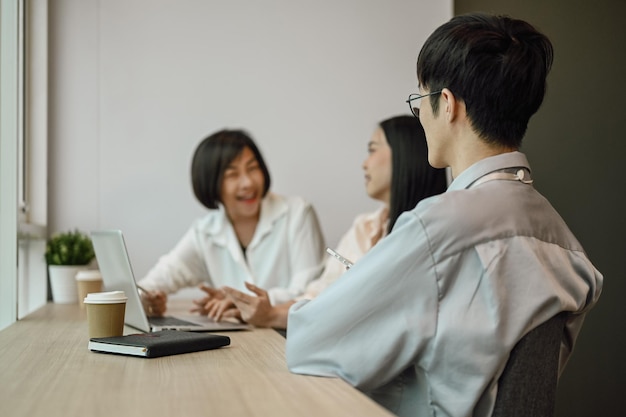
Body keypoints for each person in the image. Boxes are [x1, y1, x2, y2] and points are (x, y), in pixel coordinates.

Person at [285, 13, 603, 417]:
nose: (420, 117)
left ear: (447, 104)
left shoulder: (437, 228)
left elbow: (308, 343)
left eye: (420, 101)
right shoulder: (566, 245)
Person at [217, 115, 447, 328]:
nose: (364, 164)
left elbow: (366, 312)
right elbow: (319, 294)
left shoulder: (432, 234)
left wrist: (271, 315)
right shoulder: (364, 226)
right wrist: (266, 311)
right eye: (232, 174)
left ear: (405, 155)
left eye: (372, 150)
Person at [137, 129, 325, 317]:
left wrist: (239, 300)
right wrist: (148, 301)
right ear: (211, 184)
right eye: (232, 174)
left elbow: (312, 291)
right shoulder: (204, 232)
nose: (247, 183)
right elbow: (152, 283)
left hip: (287, 335)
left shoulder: (298, 213)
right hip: (239, 340)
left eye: (252, 168)